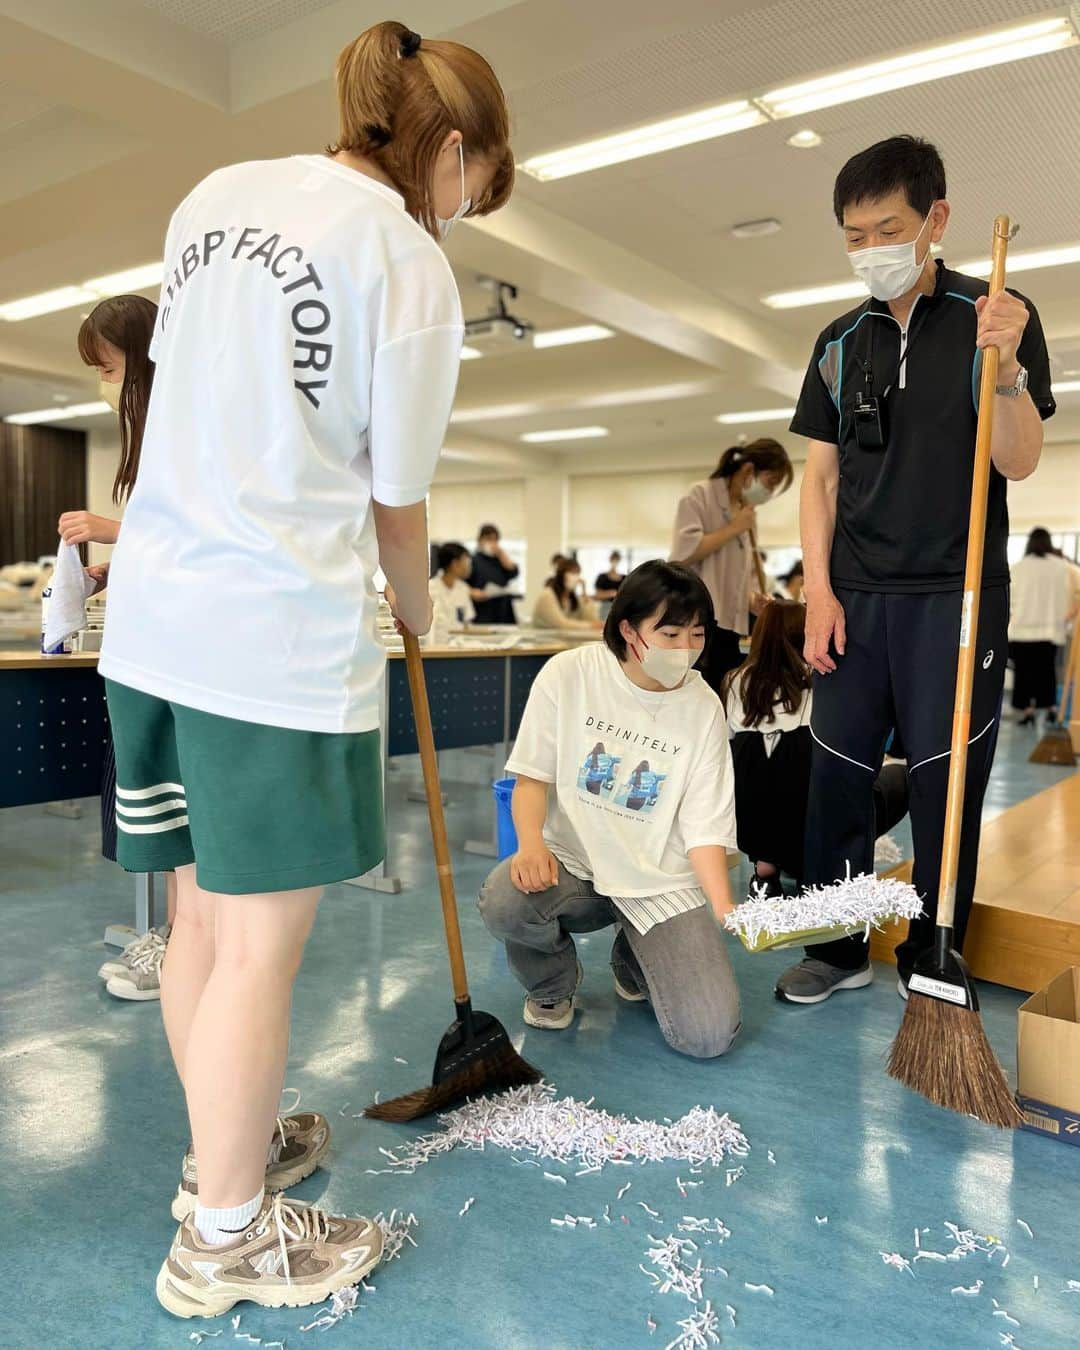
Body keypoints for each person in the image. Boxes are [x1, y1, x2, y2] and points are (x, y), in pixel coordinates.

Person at [96, 19, 513, 1317]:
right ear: (447, 153)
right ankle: (227, 1233)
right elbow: (397, 500)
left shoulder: (214, 199)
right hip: (270, 639)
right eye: (473, 193)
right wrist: (412, 607)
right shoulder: (408, 264)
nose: (463, 217)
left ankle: (228, 1149)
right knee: (258, 951)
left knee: (199, 927)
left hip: (154, 623)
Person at [776, 135, 1054, 1006]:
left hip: (955, 595)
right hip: (853, 595)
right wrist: (816, 590)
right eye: (852, 234)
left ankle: (936, 951)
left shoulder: (996, 315)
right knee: (838, 772)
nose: (869, 250)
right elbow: (819, 479)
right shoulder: (837, 340)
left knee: (946, 778)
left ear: (936, 219)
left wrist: (1003, 373)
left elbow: (1018, 463)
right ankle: (836, 943)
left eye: (885, 227)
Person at [478, 561, 741, 1058]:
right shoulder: (570, 673)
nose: (685, 649)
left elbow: (705, 822)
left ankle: (632, 958)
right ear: (628, 629)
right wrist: (531, 844)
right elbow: (532, 776)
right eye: (669, 633)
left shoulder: (703, 705)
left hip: (659, 879)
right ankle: (552, 985)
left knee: (707, 1037)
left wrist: (725, 906)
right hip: (576, 865)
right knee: (505, 898)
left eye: (697, 634)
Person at [57, 294, 179, 1002]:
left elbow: (201, 540)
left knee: (175, 809)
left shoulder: (185, 425)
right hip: (147, 651)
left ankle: (178, 946)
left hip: (181, 658)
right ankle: (169, 937)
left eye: (107, 365)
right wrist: (115, 566)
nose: (104, 382)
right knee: (151, 806)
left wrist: (114, 530)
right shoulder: (150, 434)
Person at [723, 600, 909, 908]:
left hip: (752, 831)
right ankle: (824, 866)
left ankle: (765, 871)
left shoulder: (734, 682)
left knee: (761, 766)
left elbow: (732, 749)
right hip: (814, 830)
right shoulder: (821, 684)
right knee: (900, 777)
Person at [670, 439, 794, 694]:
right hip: (698, 624)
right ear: (748, 471)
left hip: (730, 627)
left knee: (726, 699)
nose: (768, 493)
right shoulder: (700, 496)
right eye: (770, 483)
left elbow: (738, 575)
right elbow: (682, 556)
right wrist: (734, 528)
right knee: (699, 696)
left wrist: (750, 600)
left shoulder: (746, 512)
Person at [1009, 527, 1080, 725]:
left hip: (1022, 631)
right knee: (1047, 672)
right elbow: (1069, 597)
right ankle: (1051, 709)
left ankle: (1028, 711)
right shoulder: (1061, 567)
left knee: (1024, 674)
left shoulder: (1018, 567)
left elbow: (1011, 602)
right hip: (1050, 631)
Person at [468, 522, 520, 624]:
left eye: (495, 540)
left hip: (503, 611)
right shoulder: (473, 560)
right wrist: (473, 592)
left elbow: (514, 573)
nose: (492, 543)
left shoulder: (500, 560)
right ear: (480, 540)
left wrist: (501, 555)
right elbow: (463, 583)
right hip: (483, 610)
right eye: (488, 539)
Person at [532, 557, 602, 631]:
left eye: (577, 573)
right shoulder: (547, 595)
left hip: (563, 640)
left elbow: (590, 619)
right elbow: (561, 624)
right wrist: (591, 626)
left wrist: (584, 594)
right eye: (572, 573)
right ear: (561, 575)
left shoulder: (573, 598)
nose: (575, 577)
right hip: (544, 640)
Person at [428, 541, 477, 634]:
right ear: (455, 564)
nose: (468, 566)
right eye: (466, 561)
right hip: (435, 644)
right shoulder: (430, 588)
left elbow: (467, 621)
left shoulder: (463, 588)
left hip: (460, 644)